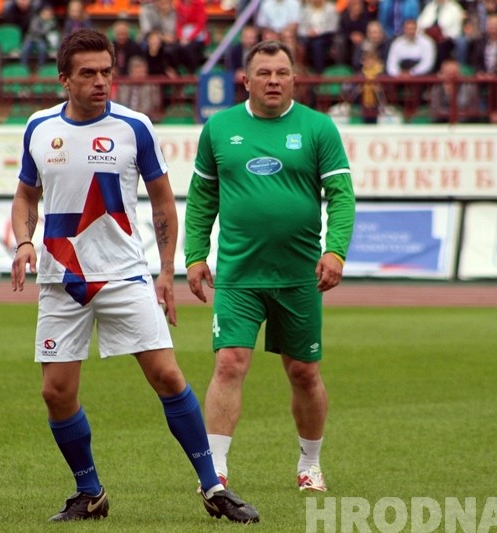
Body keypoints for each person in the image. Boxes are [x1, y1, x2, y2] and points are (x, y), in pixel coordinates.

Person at [9, 28, 259, 524]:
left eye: (106, 71)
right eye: (88, 73)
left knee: (167, 376)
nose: (101, 81)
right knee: (56, 393)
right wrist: (23, 241)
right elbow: (25, 196)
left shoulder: (134, 127)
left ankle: (213, 487)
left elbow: (164, 201)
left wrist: (165, 271)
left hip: (124, 275)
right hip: (62, 280)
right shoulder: (39, 128)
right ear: (64, 79)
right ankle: (90, 493)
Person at [184, 39, 356, 494]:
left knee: (304, 372)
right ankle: (214, 471)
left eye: (282, 72)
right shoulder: (219, 128)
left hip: (300, 274)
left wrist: (336, 250)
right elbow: (202, 199)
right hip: (239, 274)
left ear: (295, 78)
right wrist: (196, 255)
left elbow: (342, 198)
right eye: (264, 73)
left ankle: (310, 463)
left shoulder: (318, 128)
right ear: (246, 79)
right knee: (229, 363)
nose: (274, 80)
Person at [20, 3, 60, 70]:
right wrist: (45, 30)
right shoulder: (35, 19)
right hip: (31, 38)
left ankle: (41, 67)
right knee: (25, 48)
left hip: (41, 40)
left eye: (49, 13)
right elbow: (34, 30)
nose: (47, 15)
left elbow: (54, 31)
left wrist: (49, 24)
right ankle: (23, 67)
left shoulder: (52, 21)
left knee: (42, 48)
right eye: (46, 13)